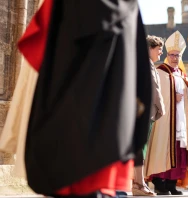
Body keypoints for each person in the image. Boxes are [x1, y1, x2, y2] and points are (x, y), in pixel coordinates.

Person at [12, 0, 152, 198]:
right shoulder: (129, 5)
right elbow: (141, 73)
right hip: (111, 126)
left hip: (65, 120)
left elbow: (37, 49)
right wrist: (135, 135)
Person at [144, 30, 188, 195]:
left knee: (178, 150)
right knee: (162, 149)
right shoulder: (160, 70)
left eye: (178, 55)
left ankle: (171, 183)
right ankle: (159, 182)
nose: (175, 58)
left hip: (179, 120)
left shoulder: (181, 74)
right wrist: (172, 96)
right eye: (172, 55)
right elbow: (158, 92)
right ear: (167, 55)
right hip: (164, 120)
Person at [132, 35, 166, 196]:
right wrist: (161, 109)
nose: (160, 53)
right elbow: (154, 90)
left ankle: (137, 182)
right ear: (149, 49)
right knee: (141, 148)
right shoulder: (147, 65)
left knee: (139, 148)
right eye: (158, 49)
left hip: (139, 110)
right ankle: (139, 184)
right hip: (145, 112)